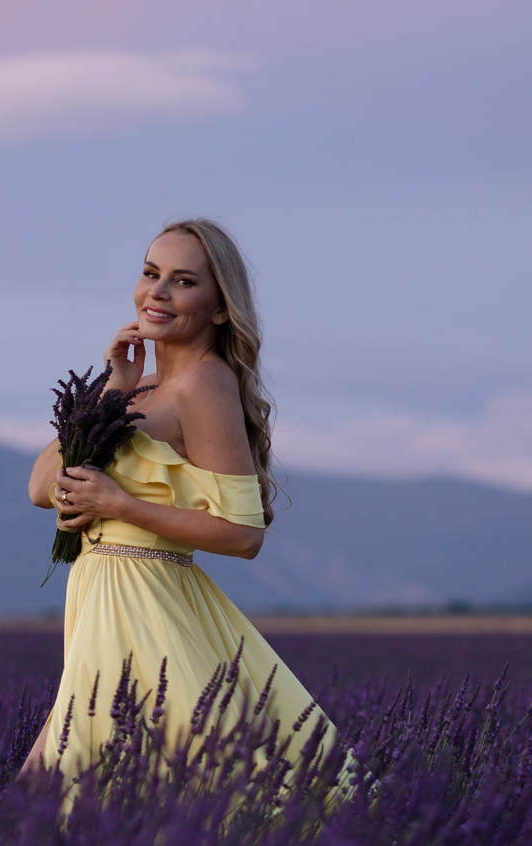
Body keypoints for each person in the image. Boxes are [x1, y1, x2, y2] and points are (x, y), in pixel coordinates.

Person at [22, 218, 343, 789]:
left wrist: (121, 505)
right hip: (100, 606)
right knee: (74, 795)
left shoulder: (204, 383)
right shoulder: (135, 386)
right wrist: (115, 388)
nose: (159, 292)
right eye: (151, 274)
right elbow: (40, 487)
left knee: (106, 796)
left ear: (221, 309)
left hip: (149, 609)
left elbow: (242, 535)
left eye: (184, 281)